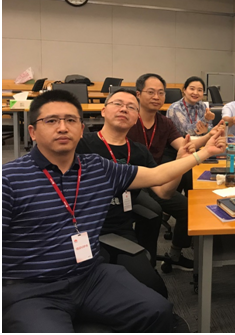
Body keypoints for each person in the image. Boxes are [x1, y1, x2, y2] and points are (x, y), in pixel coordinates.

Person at [2, 89, 227, 332]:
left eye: (71, 120)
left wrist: (204, 153)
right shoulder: (9, 179)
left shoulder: (98, 167)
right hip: (32, 287)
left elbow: (157, 176)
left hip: (89, 276)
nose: (63, 128)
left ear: (81, 129)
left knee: (159, 311)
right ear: (33, 131)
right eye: (51, 121)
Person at [76, 88, 196, 299]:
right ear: (103, 111)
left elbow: (164, 192)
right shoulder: (81, 144)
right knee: (86, 290)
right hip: (80, 231)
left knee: (156, 292)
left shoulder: (139, 151)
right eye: (117, 104)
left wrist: (180, 162)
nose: (124, 109)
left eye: (131, 107)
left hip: (119, 230)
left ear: (136, 118)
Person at [127, 73, 222, 269]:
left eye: (161, 92)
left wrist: (209, 137)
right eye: (151, 92)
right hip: (131, 182)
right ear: (138, 94)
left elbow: (184, 145)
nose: (156, 97)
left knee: (188, 209)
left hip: (157, 179)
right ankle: (145, 265)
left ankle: (175, 254)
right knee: (152, 213)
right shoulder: (128, 121)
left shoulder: (164, 123)